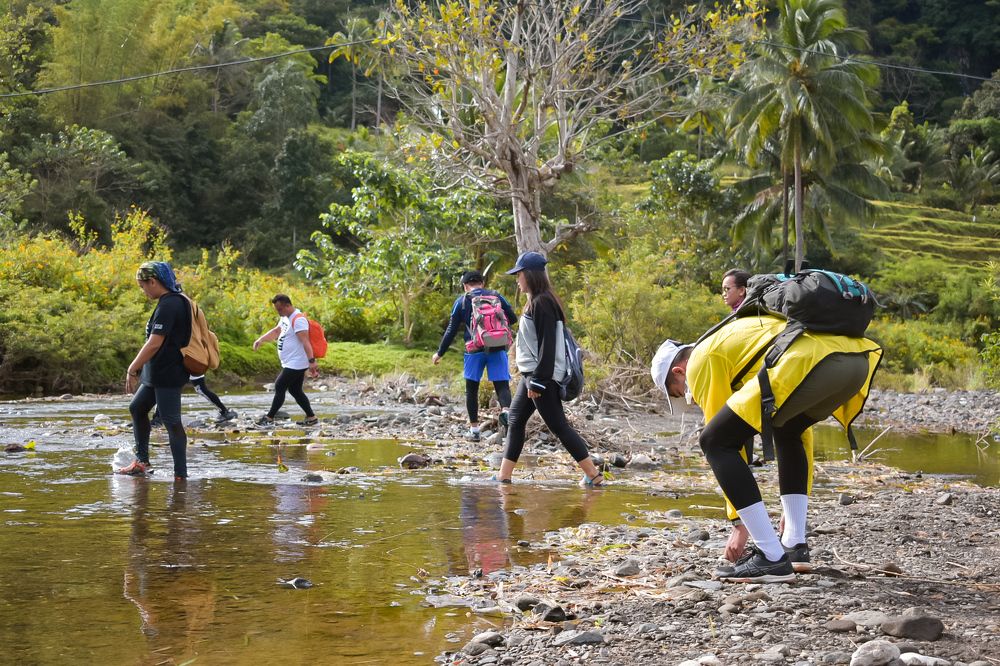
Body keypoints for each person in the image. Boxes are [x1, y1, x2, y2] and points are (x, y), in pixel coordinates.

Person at [651, 313, 881, 582]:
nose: (688, 396)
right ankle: (794, 545)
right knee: (788, 428)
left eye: (680, 391)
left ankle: (771, 556)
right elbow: (799, 435)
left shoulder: (701, 360)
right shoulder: (734, 340)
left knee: (714, 441)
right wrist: (793, 512)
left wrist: (738, 523)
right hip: (855, 363)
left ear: (679, 372)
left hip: (812, 364)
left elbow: (723, 438)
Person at [495, 252, 603, 487]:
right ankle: (503, 476)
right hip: (532, 375)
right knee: (514, 420)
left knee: (559, 426)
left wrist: (539, 381)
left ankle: (593, 475)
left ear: (530, 275)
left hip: (541, 377)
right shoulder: (538, 300)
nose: (517, 280)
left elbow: (548, 345)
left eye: (519, 275)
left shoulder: (542, 302)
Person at [118, 261, 192, 481]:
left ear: (153, 281)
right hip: (156, 372)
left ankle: (180, 475)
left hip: (167, 372)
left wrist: (133, 367)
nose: (143, 291)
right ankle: (142, 462)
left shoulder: (171, 304)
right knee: (137, 408)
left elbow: (154, 342)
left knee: (171, 421)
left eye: (143, 286)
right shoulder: (170, 301)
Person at [432, 270, 518, 441]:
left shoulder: (462, 301)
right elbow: (513, 318)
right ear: (482, 283)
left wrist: (440, 353)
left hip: (473, 350)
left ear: (465, 286)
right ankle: (507, 412)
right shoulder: (496, 296)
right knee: (501, 385)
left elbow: (451, 329)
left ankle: (475, 430)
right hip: (498, 347)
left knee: (472, 389)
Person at [252, 294, 319, 426]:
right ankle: (311, 417)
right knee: (295, 390)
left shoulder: (298, 319)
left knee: (279, 385)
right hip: (290, 362)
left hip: (297, 362)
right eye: (277, 309)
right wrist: (261, 339)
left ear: (288, 305)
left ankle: (269, 418)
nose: (278, 312)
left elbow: (306, 342)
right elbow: (277, 331)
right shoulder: (285, 318)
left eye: (280, 309)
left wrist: (312, 362)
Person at [151, 374, 237, 427]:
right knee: (201, 389)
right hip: (193, 360)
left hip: (186, 360)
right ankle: (224, 412)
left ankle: (157, 419)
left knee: (164, 386)